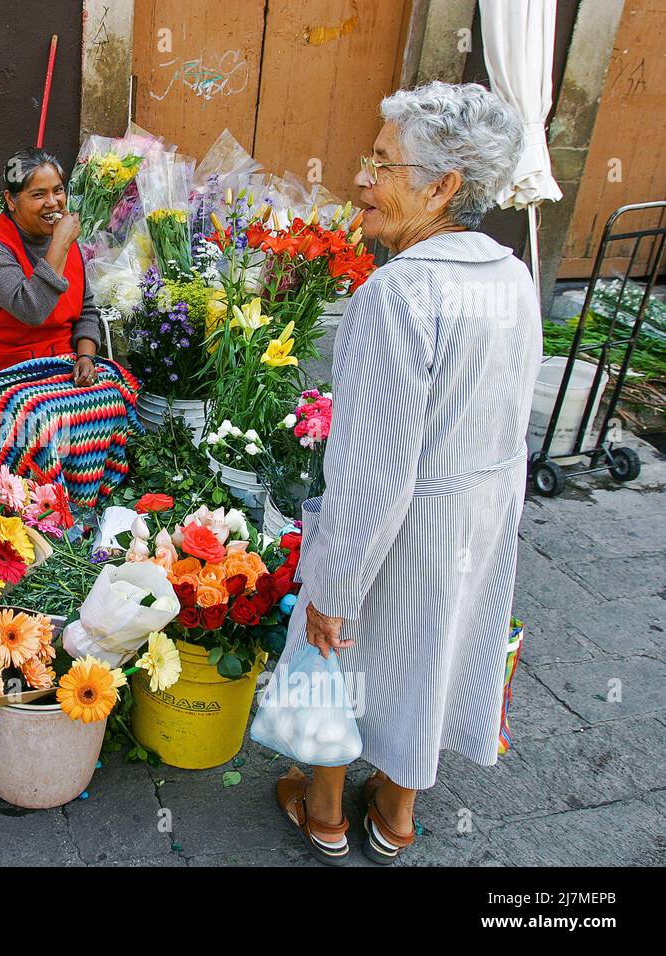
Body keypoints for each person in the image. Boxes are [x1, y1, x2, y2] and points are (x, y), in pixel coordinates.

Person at [274, 81, 540, 865]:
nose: (360, 180)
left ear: (443, 186)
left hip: (408, 522)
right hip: (480, 515)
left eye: (382, 164)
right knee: (439, 651)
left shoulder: (400, 291)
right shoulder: (512, 276)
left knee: (344, 652)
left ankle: (323, 811)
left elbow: (375, 470)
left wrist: (335, 586)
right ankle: (395, 816)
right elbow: (510, 423)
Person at [0, 148, 140, 508]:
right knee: (40, 420)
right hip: (4, 374)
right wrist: (60, 243)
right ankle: (38, 506)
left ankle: (92, 498)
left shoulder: (68, 245)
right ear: (10, 200)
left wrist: (86, 355)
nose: (54, 202)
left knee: (116, 394)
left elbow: (87, 310)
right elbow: (31, 307)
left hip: (61, 365)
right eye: (38, 194)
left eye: (58, 190)